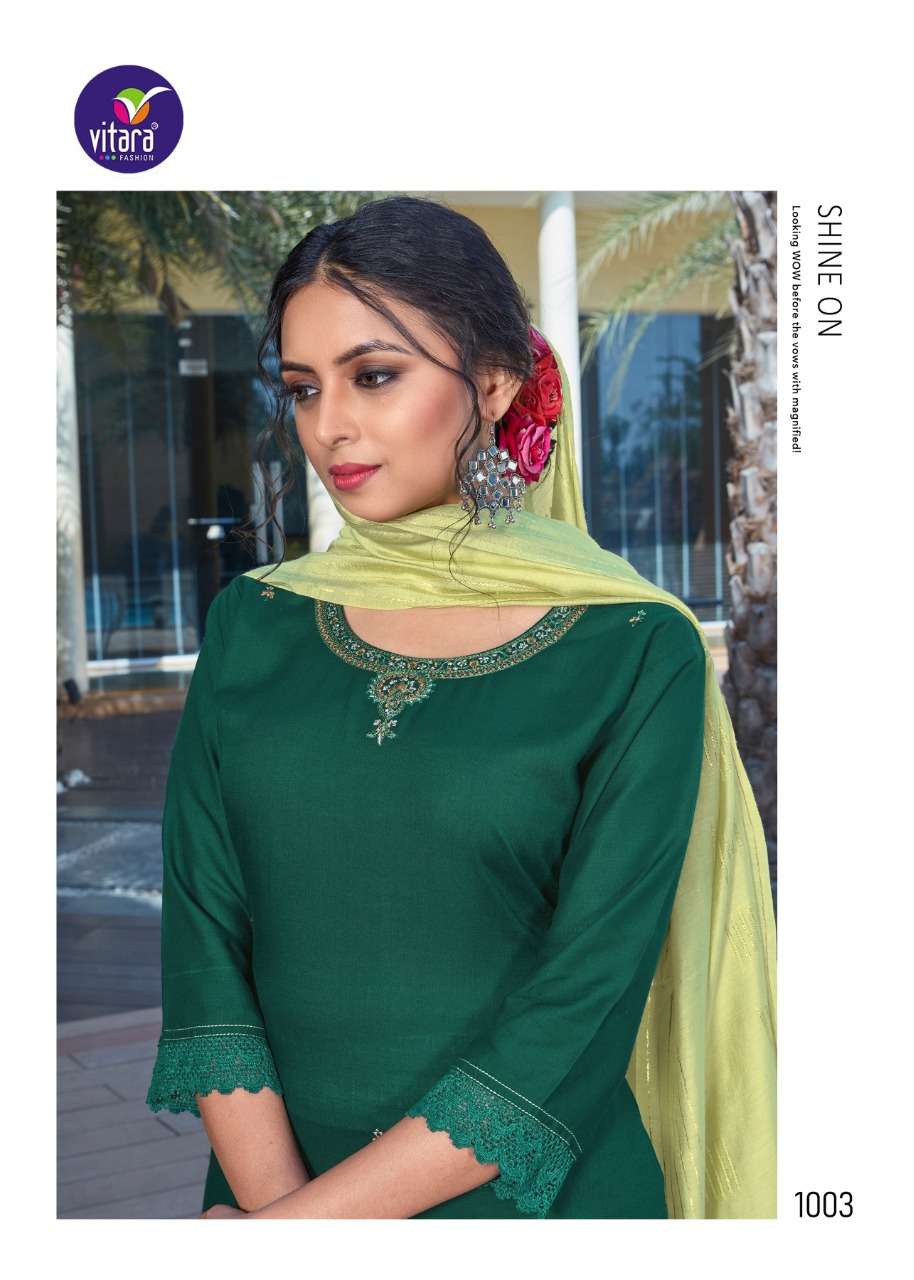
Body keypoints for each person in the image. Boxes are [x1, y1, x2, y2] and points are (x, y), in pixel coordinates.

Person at [145, 195, 777, 1219]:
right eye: (302, 388)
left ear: (492, 382)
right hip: (268, 1186)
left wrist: (291, 1237)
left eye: (374, 375)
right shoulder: (252, 627)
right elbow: (204, 943)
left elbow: (581, 1003)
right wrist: (277, 1211)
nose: (329, 425)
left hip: (530, 1205)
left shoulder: (630, 645)